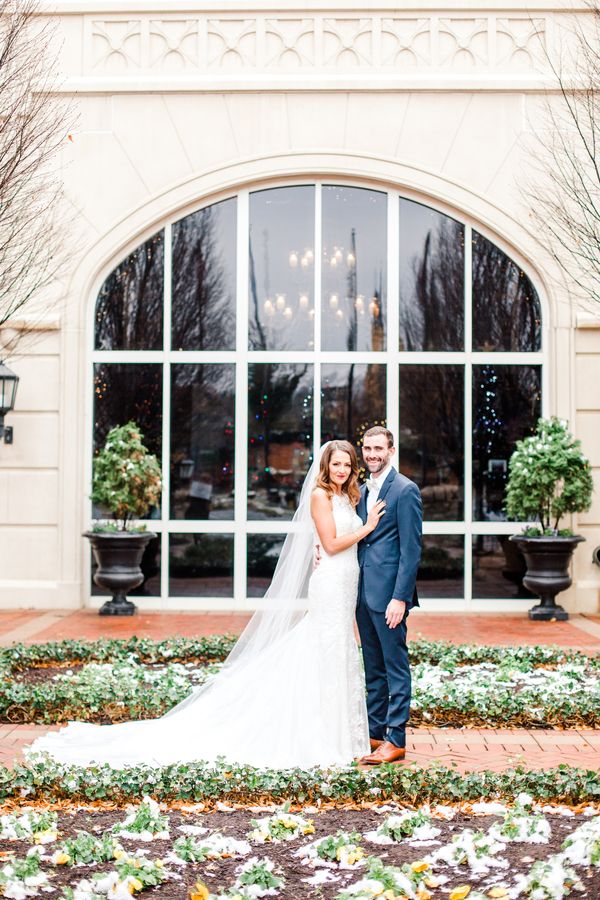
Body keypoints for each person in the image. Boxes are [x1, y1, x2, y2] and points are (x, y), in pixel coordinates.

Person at [29, 441, 385, 770]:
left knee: (336, 650)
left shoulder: (348, 495)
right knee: (323, 645)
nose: (342, 469)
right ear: (326, 466)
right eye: (336, 464)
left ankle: (336, 733)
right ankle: (317, 734)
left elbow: (332, 544)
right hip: (330, 582)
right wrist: (367, 527)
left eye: (347, 464)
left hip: (346, 580)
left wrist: (351, 531)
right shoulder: (321, 495)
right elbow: (332, 543)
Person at [355, 426, 423, 765]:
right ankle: (375, 733)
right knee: (374, 669)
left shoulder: (405, 490)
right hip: (362, 595)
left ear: (391, 450)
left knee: (395, 666)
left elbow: (411, 551)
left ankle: (396, 739)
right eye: (367, 448)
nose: (372, 454)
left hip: (390, 598)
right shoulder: (360, 489)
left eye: (378, 448)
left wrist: (401, 598)